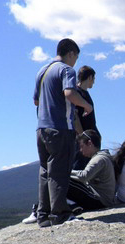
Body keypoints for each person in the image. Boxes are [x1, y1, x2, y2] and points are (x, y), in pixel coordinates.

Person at [33, 38, 93, 227]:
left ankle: (43, 215)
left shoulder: (42, 71)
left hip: (42, 129)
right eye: (76, 57)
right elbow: (69, 93)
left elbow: (36, 101)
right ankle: (60, 214)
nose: (75, 62)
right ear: (71, 53)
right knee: (59, 172)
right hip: (60, 128)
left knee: (45, 171)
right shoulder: (67, 70)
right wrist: (86, 104)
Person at [67, 130, 115, 211]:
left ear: (89, 143)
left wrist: (64, 172)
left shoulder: (99, 159)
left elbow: (84, 176)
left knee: (63, 180)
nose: (81, 150)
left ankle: (69, 205)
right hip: (102, 199)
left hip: (99, 200)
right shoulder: (102, 157)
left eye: (82, 146)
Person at [73, 66, 98, 170]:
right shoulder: (77, 93)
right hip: (82, 140)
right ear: (90, 77)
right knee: (80, 168)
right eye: (94, 79)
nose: (94, 82)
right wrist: (82, 136)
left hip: (89, 139)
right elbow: (74, 116)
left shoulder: (85, 93)